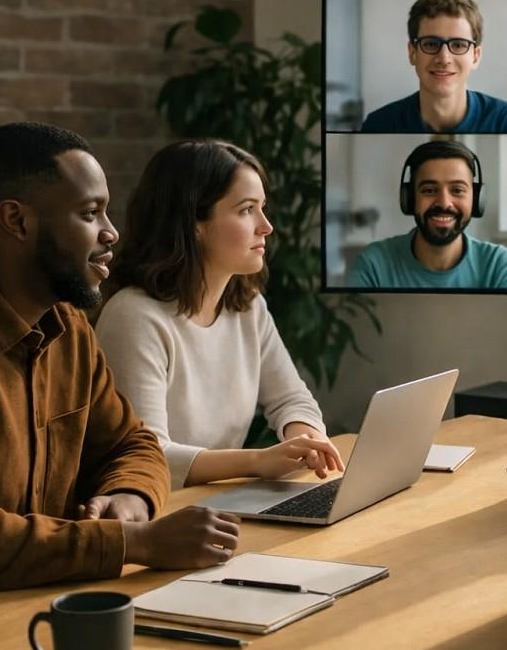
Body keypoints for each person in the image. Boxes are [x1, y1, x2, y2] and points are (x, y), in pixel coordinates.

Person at [0, 122, 241, 595]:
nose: (112, 233)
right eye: (90, 213)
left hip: (39, 600)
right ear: (16, 221)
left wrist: (130, 496)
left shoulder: (68, 325)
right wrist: (130, 543)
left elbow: (133, 445)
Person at [96, 140, 343, 490]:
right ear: (194, 223)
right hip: (159, 512)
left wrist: (305, 438)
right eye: (246, 210)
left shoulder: (248, 306)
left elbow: (291, 399)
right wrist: (258, 462)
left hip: (219, 503)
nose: (266, 226)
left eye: (262, 208)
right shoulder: (134, 316)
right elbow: (147, 454)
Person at [347, 140, 507, 289]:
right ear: (409, 198)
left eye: (457, 190)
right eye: (429, 190)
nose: (444, 203)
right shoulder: (373, 264)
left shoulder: (500, 265)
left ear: (476, 199)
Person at [361, 0, 507, 133]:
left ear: (475, 56)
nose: (444, 58)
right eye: (432, 44)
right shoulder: (379, 124)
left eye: (458, 45)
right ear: (412, 52)